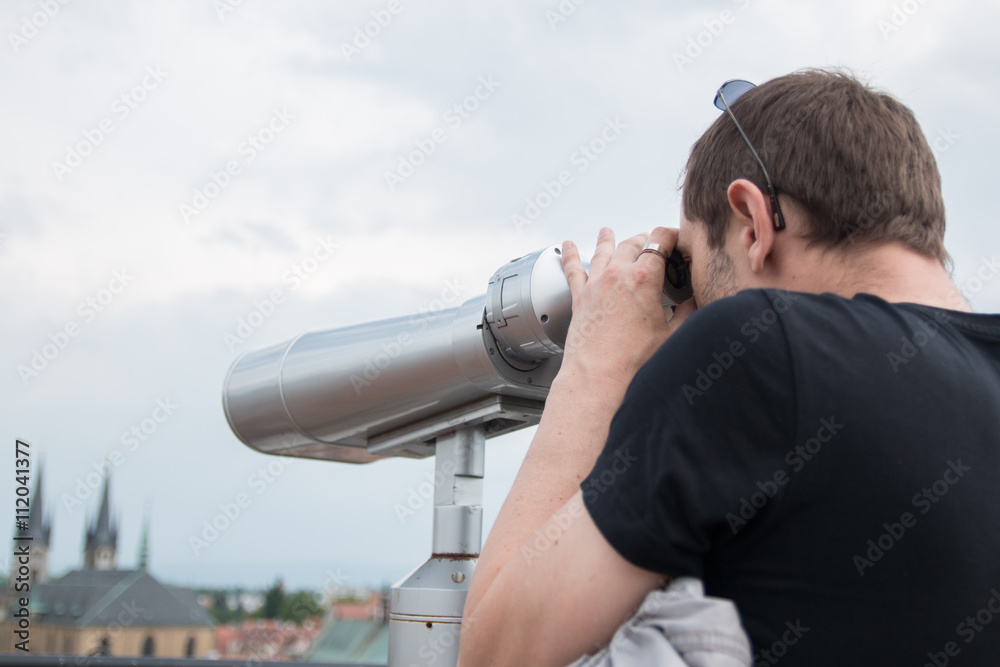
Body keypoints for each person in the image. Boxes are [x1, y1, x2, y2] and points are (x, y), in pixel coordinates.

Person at [458, 68, 1000, 666]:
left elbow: (493, 653)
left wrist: (594, 367)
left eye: (687, 266)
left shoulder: (761, 345)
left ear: (753, 223)